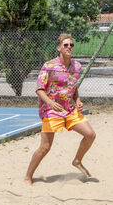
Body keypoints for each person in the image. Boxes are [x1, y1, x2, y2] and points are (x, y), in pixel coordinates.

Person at [25, 33, 97, 183]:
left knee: (90, 135)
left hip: (70, 110)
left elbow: (73, 87)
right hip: (51, 111)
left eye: (71, 45)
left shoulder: (77, 66)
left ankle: (77, 160)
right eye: (66, 45)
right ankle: (28, 176)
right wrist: (50, 103)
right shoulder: (49, 66)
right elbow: (39, 89)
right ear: (59, 48)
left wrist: (77, 100)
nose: (69, 47)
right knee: (45, 147)